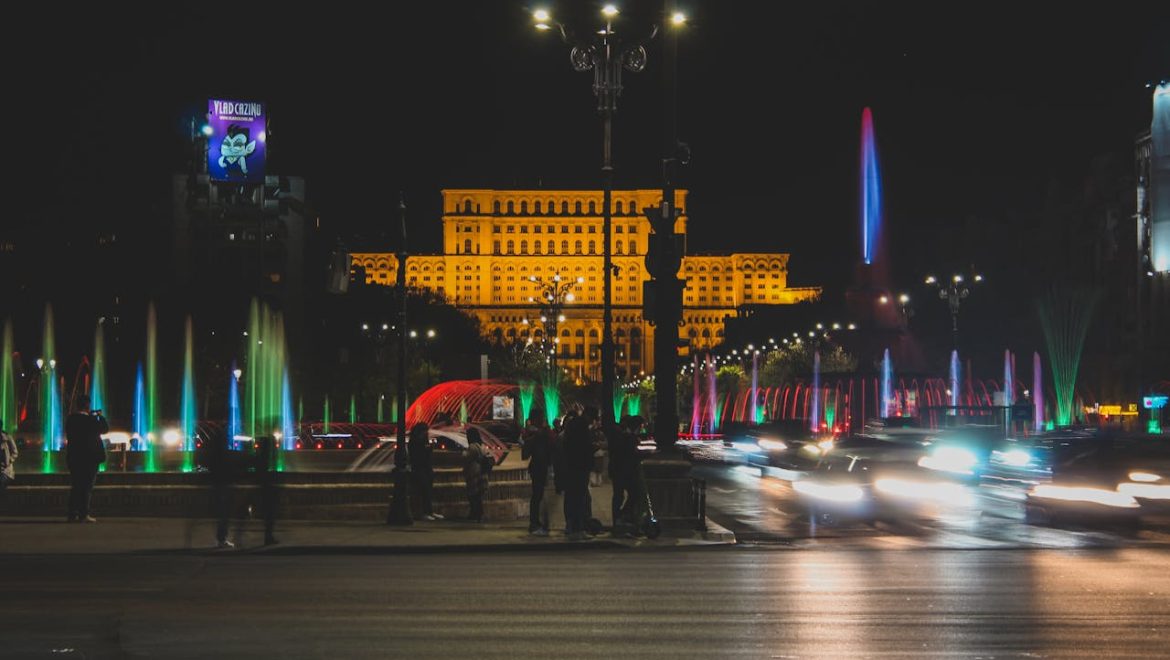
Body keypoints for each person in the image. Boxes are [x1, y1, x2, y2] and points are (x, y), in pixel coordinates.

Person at [65, 396, 108, 523]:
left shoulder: (70, 419)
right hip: (90, 458)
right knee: (87, 486)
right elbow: (105, 429)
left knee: (76, 485)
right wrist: (100, 416)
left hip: (74, 457)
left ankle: (72, 513)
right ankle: (84, 514)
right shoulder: (92, 420)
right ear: (87, 406)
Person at [561, 408, 595, 540]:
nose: (592, 422)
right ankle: (579, 527)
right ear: (588, 415)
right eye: (592, 418)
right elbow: (584, 447)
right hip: (580, 466)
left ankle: (570, 525)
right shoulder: (582, 427)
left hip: (571, 465)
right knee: (580, 497)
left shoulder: (572, 425)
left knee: (571, 496)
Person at [521, 415, 553, 535]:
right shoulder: (544, 435)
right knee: (539, 496)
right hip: (542, 468)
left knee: (537, 496)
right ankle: (537, 523)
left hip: (537, 468)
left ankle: (535, 522)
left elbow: (525, 455)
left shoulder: (535, 437)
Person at [610, 415, 644, 532]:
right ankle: (620, 517)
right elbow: (630, 455)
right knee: (631, 494)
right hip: (623, 472)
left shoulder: (626, 436)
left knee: (622, 495)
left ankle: (620, 518)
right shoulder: (627, 437)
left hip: (620, 471)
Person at [408, 422, 441, 520]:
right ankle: (424, 513)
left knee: (428, 490)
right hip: (419, 468)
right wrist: (426, 450)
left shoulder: (423, 441)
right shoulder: (414, 442)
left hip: (426, 468)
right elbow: (416, 456)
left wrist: (429, 449)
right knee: (425, 489)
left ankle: (430, 511)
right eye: (424, 431)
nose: (426, 433)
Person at [462, 426, 491, 522]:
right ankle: (478, 515)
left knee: (473, 496)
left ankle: (476, 515)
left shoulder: (472, 447)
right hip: (482, 473)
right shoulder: (482, 446)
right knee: (478, 496)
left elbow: (466, 457)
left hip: (474, 474)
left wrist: (463, 453)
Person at [0, 420, 18, 499]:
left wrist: (9, 460)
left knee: (1, 481)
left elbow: (15, 452)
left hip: (6, 470)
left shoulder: (7, 438)